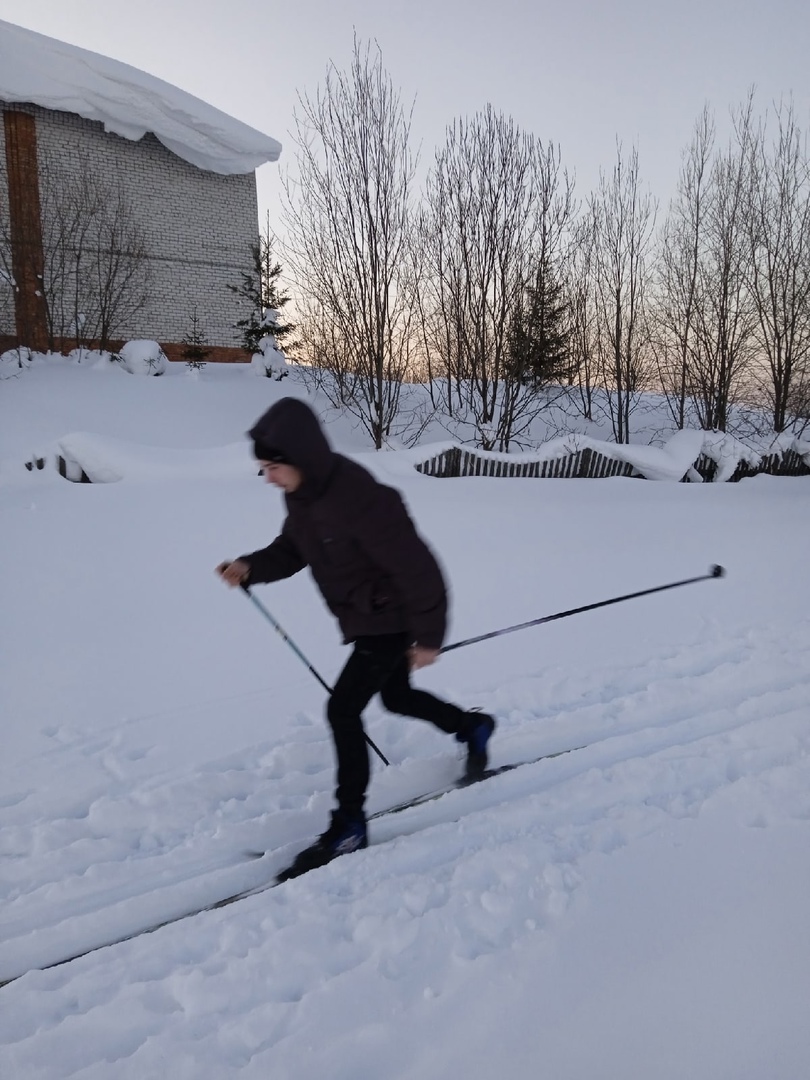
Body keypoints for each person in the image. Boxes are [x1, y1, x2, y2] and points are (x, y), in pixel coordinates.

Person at [217, 397, 495, 878]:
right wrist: (251, 567)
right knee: (397, 698)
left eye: (272, 467)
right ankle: (472, 728)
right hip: (365, 618)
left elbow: (419, 568)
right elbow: (292, 548)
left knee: (342, 709)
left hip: (390, 618)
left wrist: (428, 638)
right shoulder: (302, 496)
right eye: (263, 469)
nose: (268, 478)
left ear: (300, 458)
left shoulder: (362, 498)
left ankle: (349, 824)